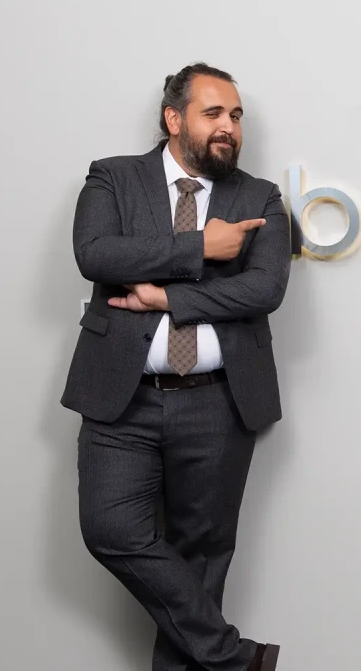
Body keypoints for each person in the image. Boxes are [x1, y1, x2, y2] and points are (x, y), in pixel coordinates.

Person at [61, 62, 290, 671]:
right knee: (109, 529)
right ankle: (237, 659)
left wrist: (165, 297)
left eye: (235, 116)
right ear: (173, 118)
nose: (228, 127)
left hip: (218, 401)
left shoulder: (260, 196)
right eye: (213, 113)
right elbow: (97, 254)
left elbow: (264, 289)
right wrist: (202, 248)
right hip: (122, 398)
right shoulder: (113, 177)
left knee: (202, 559)